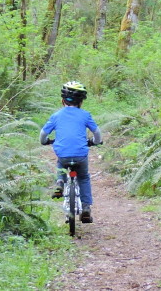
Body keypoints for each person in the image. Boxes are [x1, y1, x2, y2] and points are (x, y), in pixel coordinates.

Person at [39, 81, 102, 223]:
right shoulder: (85, 115)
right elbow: (97, 133)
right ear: (81, 102)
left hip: (63, 154)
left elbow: (43, 134)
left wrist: (45, 141)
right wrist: (95, 142)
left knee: (61, 163)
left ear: (62, 100)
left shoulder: (56, 116)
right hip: (80, 155)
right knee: (83, 177)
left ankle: (60, 182)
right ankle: (86, 208)